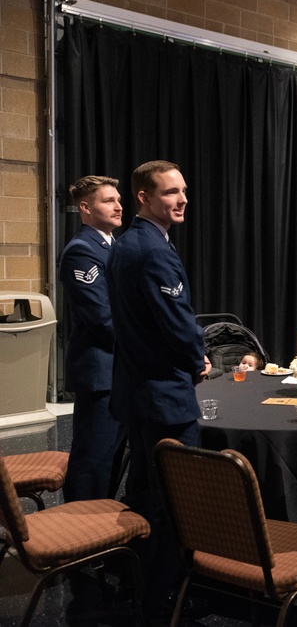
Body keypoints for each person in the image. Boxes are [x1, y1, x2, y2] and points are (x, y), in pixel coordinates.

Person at [106, 160, 211, 609]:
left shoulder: (127, 243)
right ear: (143, 198)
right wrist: (198, 358)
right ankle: (164, 596)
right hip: (164, 396)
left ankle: (137, 582)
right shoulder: (152, 250)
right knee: (172, 501)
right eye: (170, 192)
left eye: (183, 190)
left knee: (146, 494)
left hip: (138, 392)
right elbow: (176, 322)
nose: (182, 198)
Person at [59, 175, 126, 502]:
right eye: (108, 201)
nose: (118, 206)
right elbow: (102, 318)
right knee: (93, 462)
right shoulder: (82, 251)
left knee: (113, 461)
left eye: (118, 199)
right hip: (101, 371)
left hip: (123, 369)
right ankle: (76, 540)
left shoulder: (117, 246)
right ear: (85, 208)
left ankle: (104, 537)